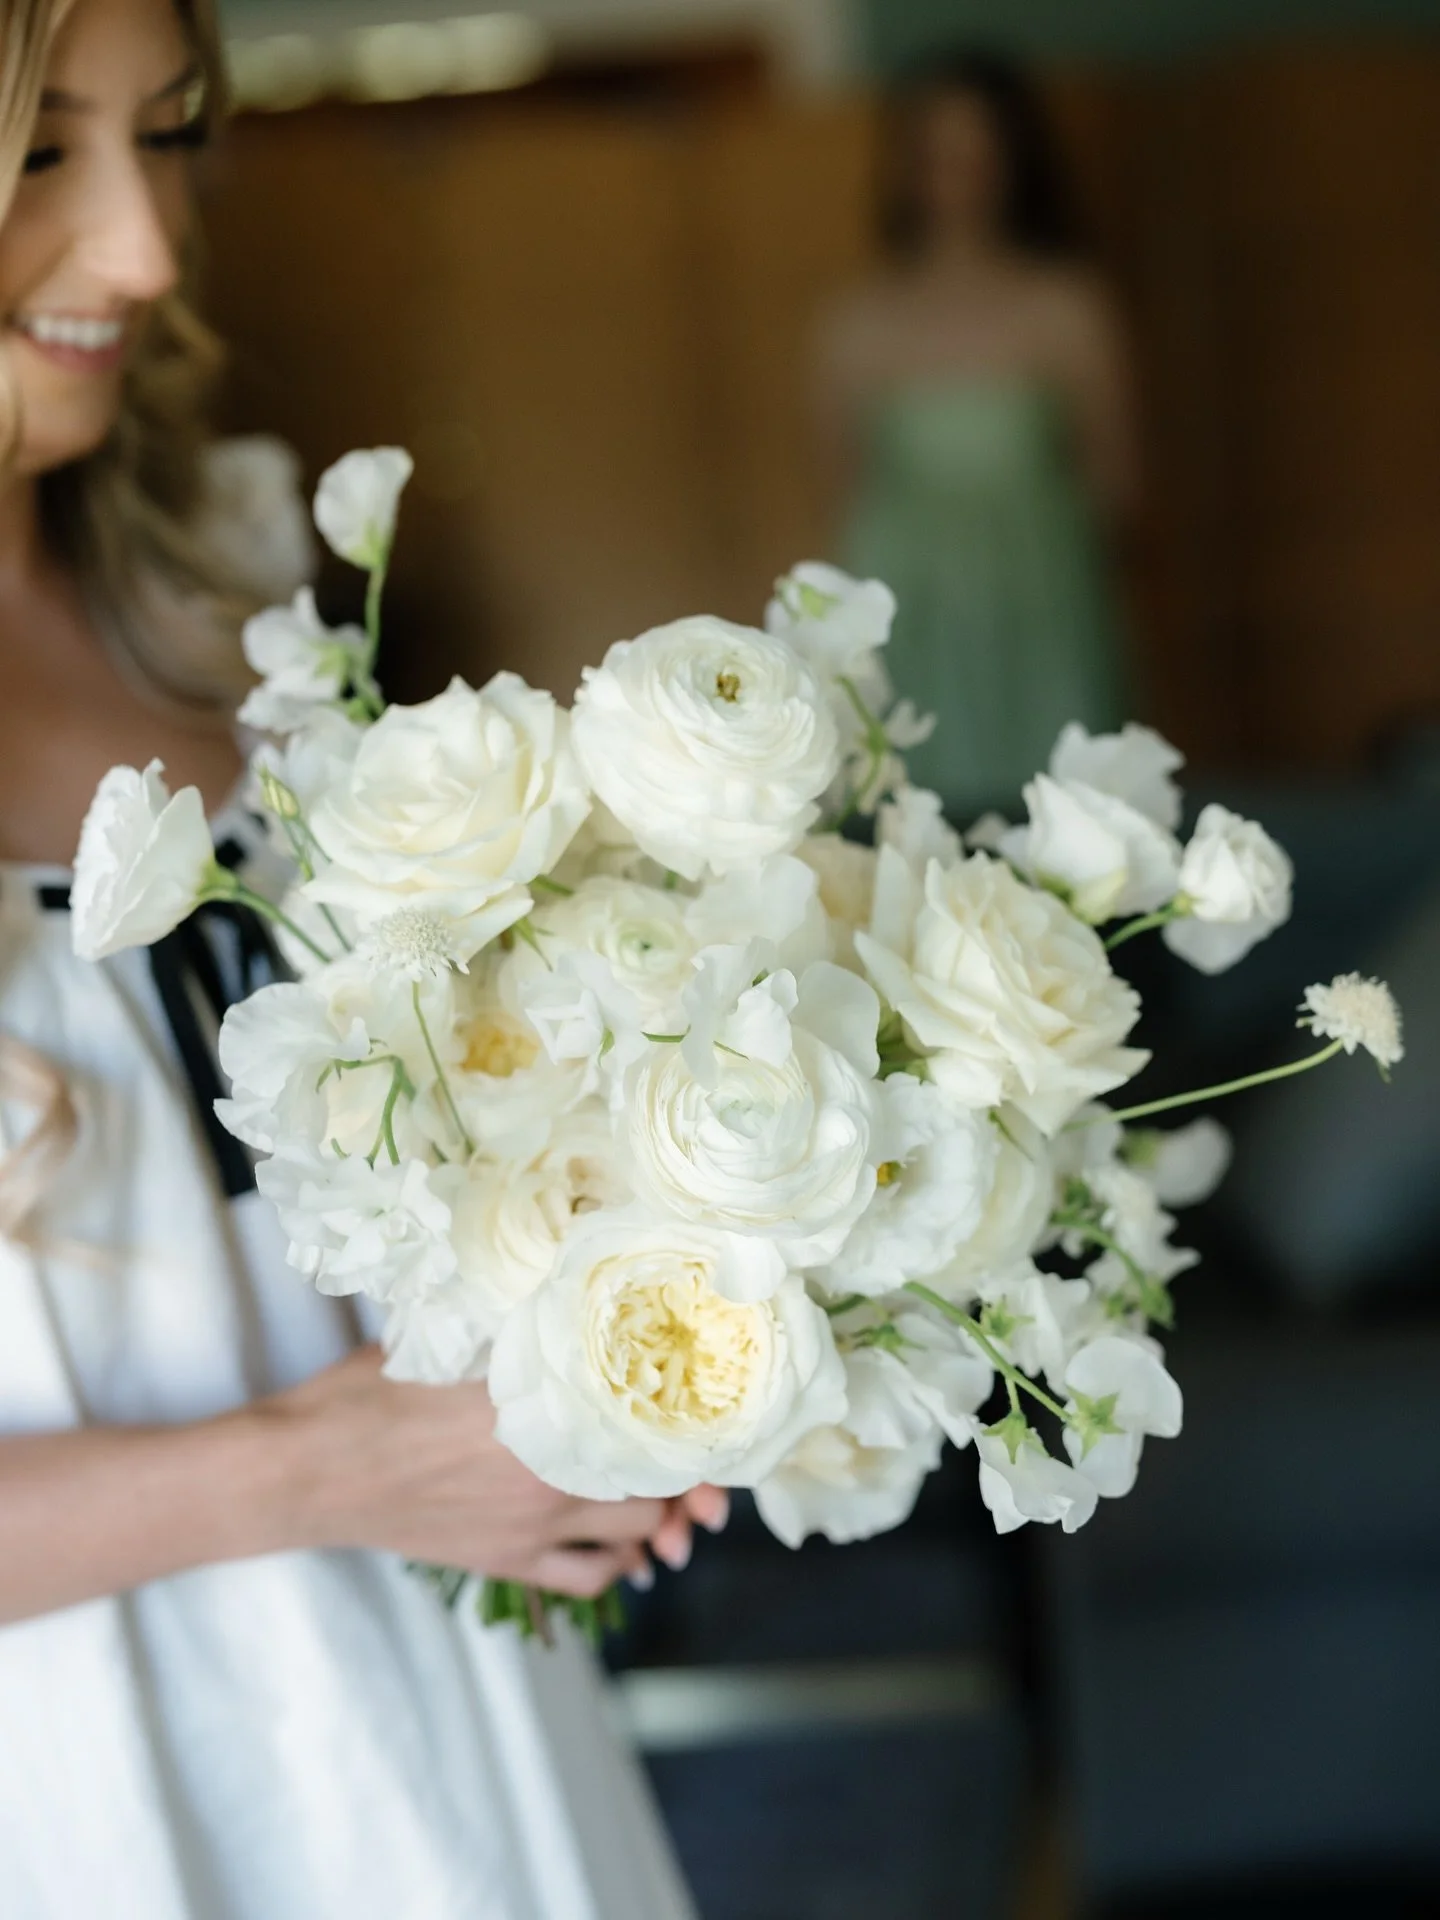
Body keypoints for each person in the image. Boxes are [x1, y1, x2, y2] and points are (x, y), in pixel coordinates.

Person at [0, 1, 714, 1913]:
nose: (145, 246)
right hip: (96, 1793)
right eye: (46, 149)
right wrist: (322, 1474)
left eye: (162, 137)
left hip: (437, 1744)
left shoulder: (214, 583)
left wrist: (603, 1337)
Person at [818, 49, 1138, 821]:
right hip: (910, 615)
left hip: (1043, 613)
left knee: (1063, 826)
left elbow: (1118, 483)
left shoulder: (1067, 308)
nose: (958, 176)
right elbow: (841, 497)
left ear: (1013, 163)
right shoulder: (856, 326)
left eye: (979, 152)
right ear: (906, 164)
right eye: (938, 153)